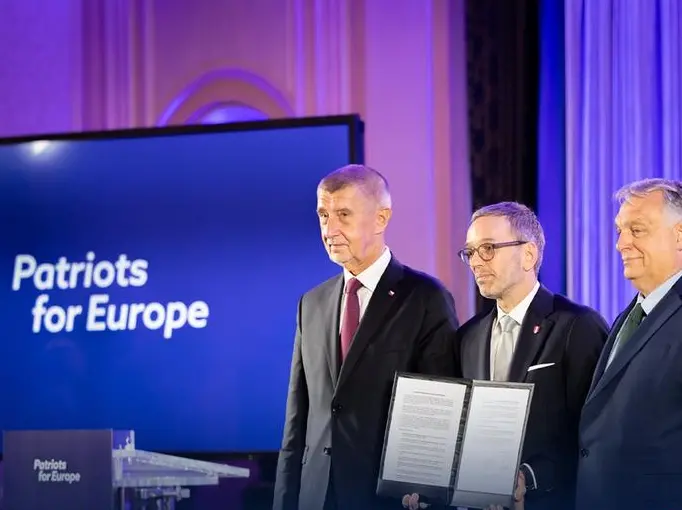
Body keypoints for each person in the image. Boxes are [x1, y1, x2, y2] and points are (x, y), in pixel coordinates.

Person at [272, 164, 460, 510]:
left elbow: (440, 409)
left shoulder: (425, 298)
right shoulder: (311, 303)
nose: (329, 229)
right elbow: (297, 420)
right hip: (315, 496)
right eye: (323, 215)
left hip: (385, 499)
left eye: (343, 215)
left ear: (381, 219)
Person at [404, 202, 606, 510]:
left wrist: (528, 478)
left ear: (529, 254)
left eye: (487, 249)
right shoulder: (468, 336)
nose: (475, 262)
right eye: (470, 252)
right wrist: (429, 487)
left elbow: (594, 436)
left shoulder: (577, 326)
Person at [576, 178, 682, 510]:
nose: (621, 243)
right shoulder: (628, 316)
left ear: (679, 235)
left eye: (636, 230)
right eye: (619, 231)